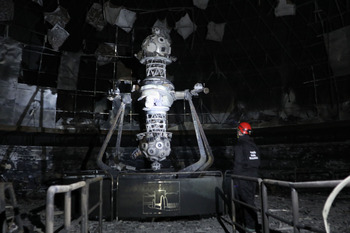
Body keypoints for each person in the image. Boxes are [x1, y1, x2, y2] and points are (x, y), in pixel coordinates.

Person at [233, 122, 260, 233]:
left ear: (240, 131)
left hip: (241, 178)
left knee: (243, 202)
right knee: (250, 201)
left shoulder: (240, 145)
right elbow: (257, 162)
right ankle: (252, 225)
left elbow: (238, 164)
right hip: (253, 178)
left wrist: (235, 178)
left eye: (238, 131)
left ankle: (249, 227)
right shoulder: (253, 145)